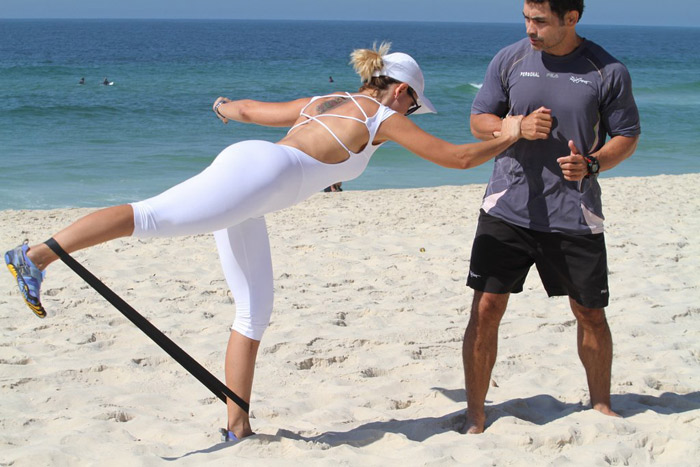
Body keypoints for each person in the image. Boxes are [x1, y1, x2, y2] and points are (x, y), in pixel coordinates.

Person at [5, 42, 523, 442]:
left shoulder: (326, 99)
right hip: (260, 177)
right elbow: (458, 158)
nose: (411, 114)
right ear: (402, 91)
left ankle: (237, 425)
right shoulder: (383, 117)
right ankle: (34, 255)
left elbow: (252, 112)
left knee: (254, 310)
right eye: (414, 104)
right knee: (151, 217)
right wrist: (513, 133)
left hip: (256, 180)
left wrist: (223, 107)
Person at [462, 0, 641, 434]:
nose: (530, 28)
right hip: (507, 207)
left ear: (571, 18)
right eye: (526, 18)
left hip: (574, 212)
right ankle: (475, 415)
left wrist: (593, 163)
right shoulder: (510, 58)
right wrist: (513, 127)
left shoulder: (607, 70)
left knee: (591, 313)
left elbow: (627, 135)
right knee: (486, 309)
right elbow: (478, 119)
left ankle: (601, 404)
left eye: (540, 21)